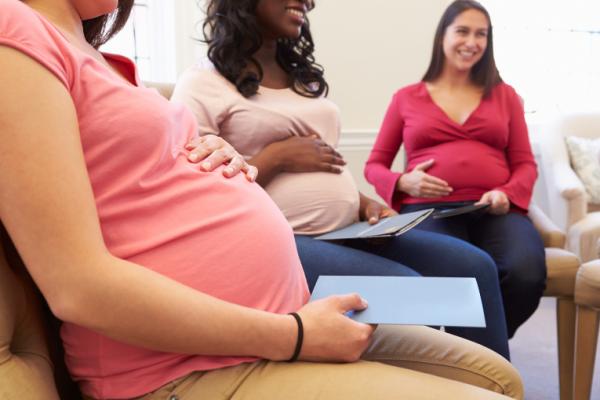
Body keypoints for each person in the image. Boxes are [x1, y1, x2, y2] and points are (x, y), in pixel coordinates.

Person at [0, 0, 524, 399]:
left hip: (281, 312)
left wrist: (210, 156)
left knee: (500, 376)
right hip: (186, 364)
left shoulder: (102, 58)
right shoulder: (17, 28)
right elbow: (77, 285)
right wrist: (295, 336)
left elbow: (137, 178)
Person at [172, 0, 510, 359]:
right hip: (279, 238)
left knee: (475, 267)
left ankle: (490, 390)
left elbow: (325, 163)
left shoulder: (302, 78)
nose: (307, 2)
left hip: (347, 230)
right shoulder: (204, 81)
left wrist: (366, 205)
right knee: (409, 291)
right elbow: (195, 190)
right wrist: (276, 158)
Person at [364, 0, 546, 339]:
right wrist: (403, 180)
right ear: (443, 36)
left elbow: (524, 164)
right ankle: (472, 364)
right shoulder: (407, 97)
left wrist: (506, 194)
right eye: (462, 31)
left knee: (525, 272)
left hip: (494, 210)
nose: (472, 42)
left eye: (482, 34)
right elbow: (375, 165)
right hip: (427, 211)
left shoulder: (506, 96)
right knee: (456, 271)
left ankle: (481, 350)